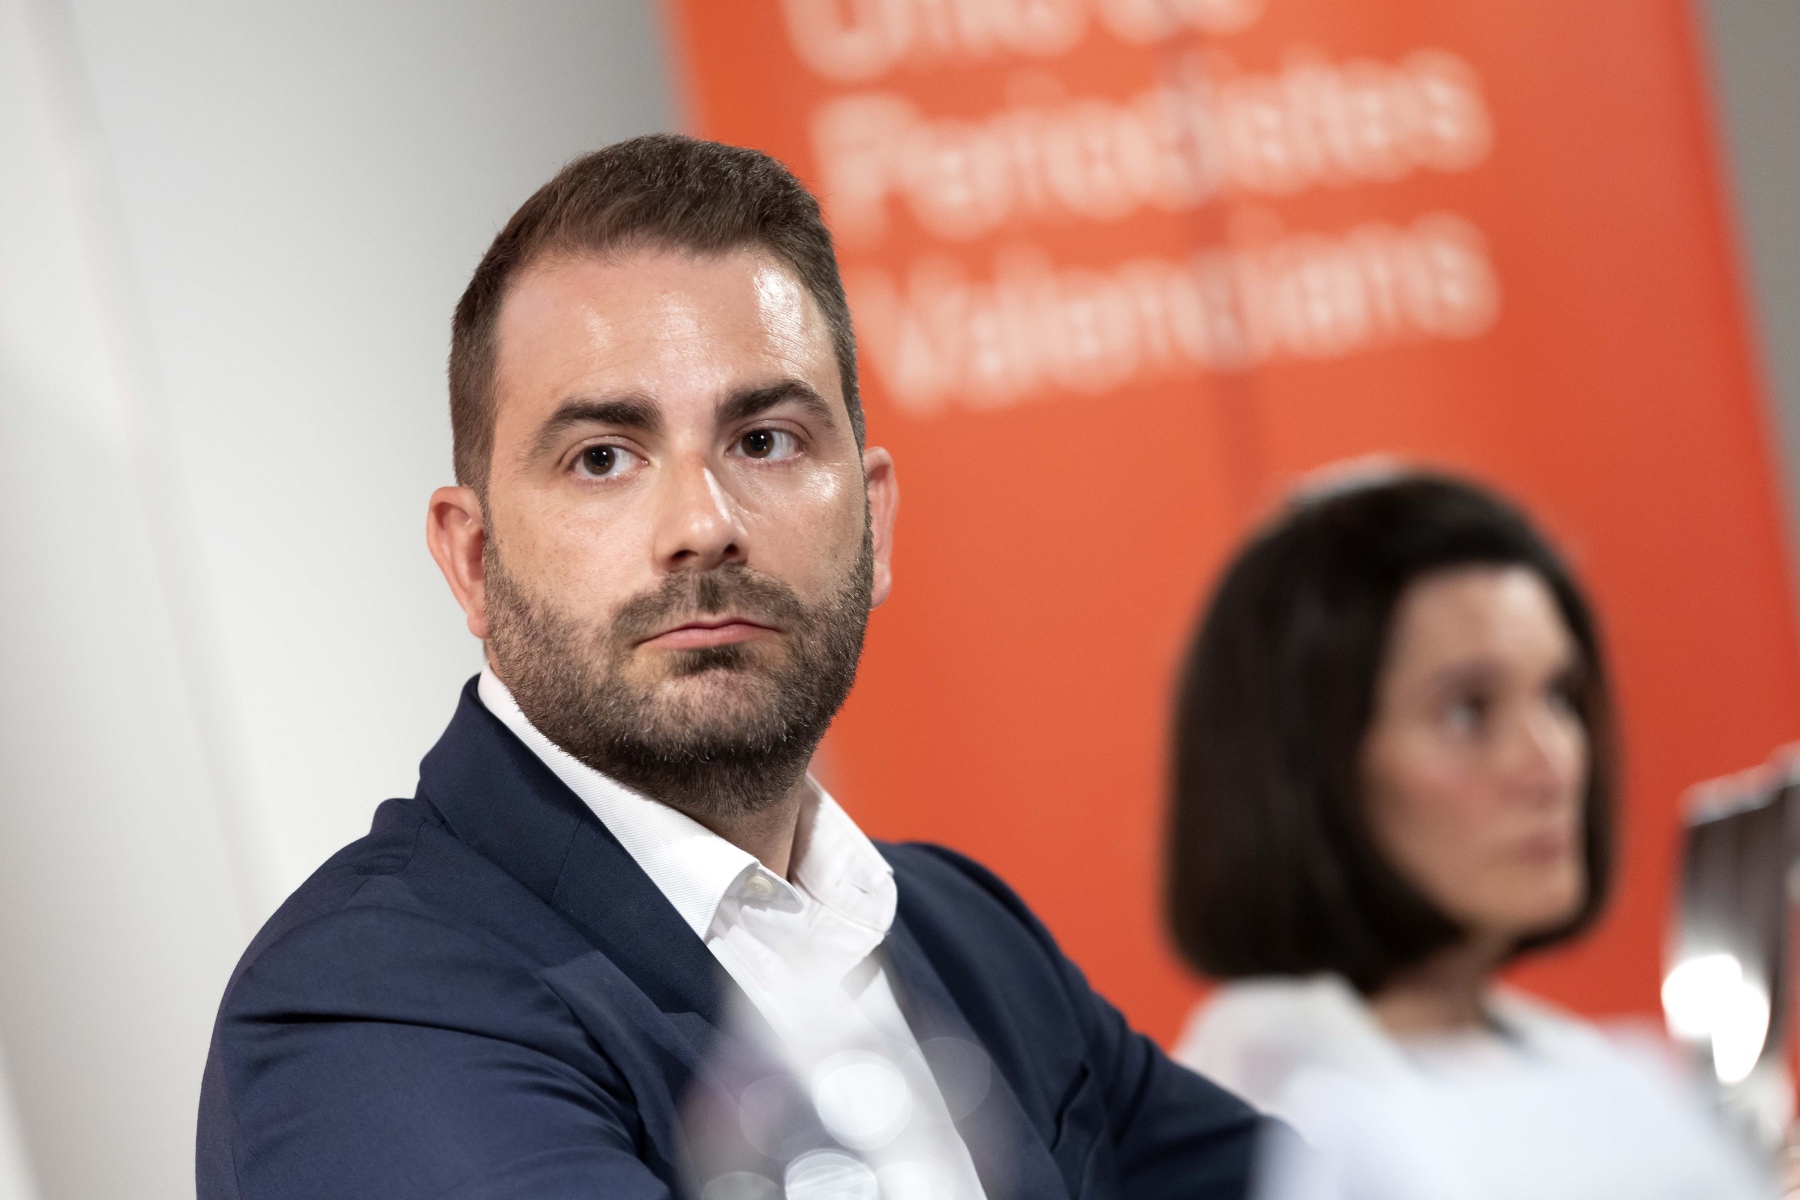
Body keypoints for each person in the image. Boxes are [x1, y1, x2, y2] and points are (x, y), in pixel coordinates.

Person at [195, 135, 1260, 1200]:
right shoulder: (368, 1005)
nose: (703, 527)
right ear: (473, 559)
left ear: (875, 523)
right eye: (602, 458)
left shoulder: (969, 934)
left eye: (765, 441)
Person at [1165, 469, 1769, 1198]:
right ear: (1304, 763)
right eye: (1467, 712)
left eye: (1559, 696)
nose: (1553, 762)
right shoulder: (1259, 1104)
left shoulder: (1581, 1065)